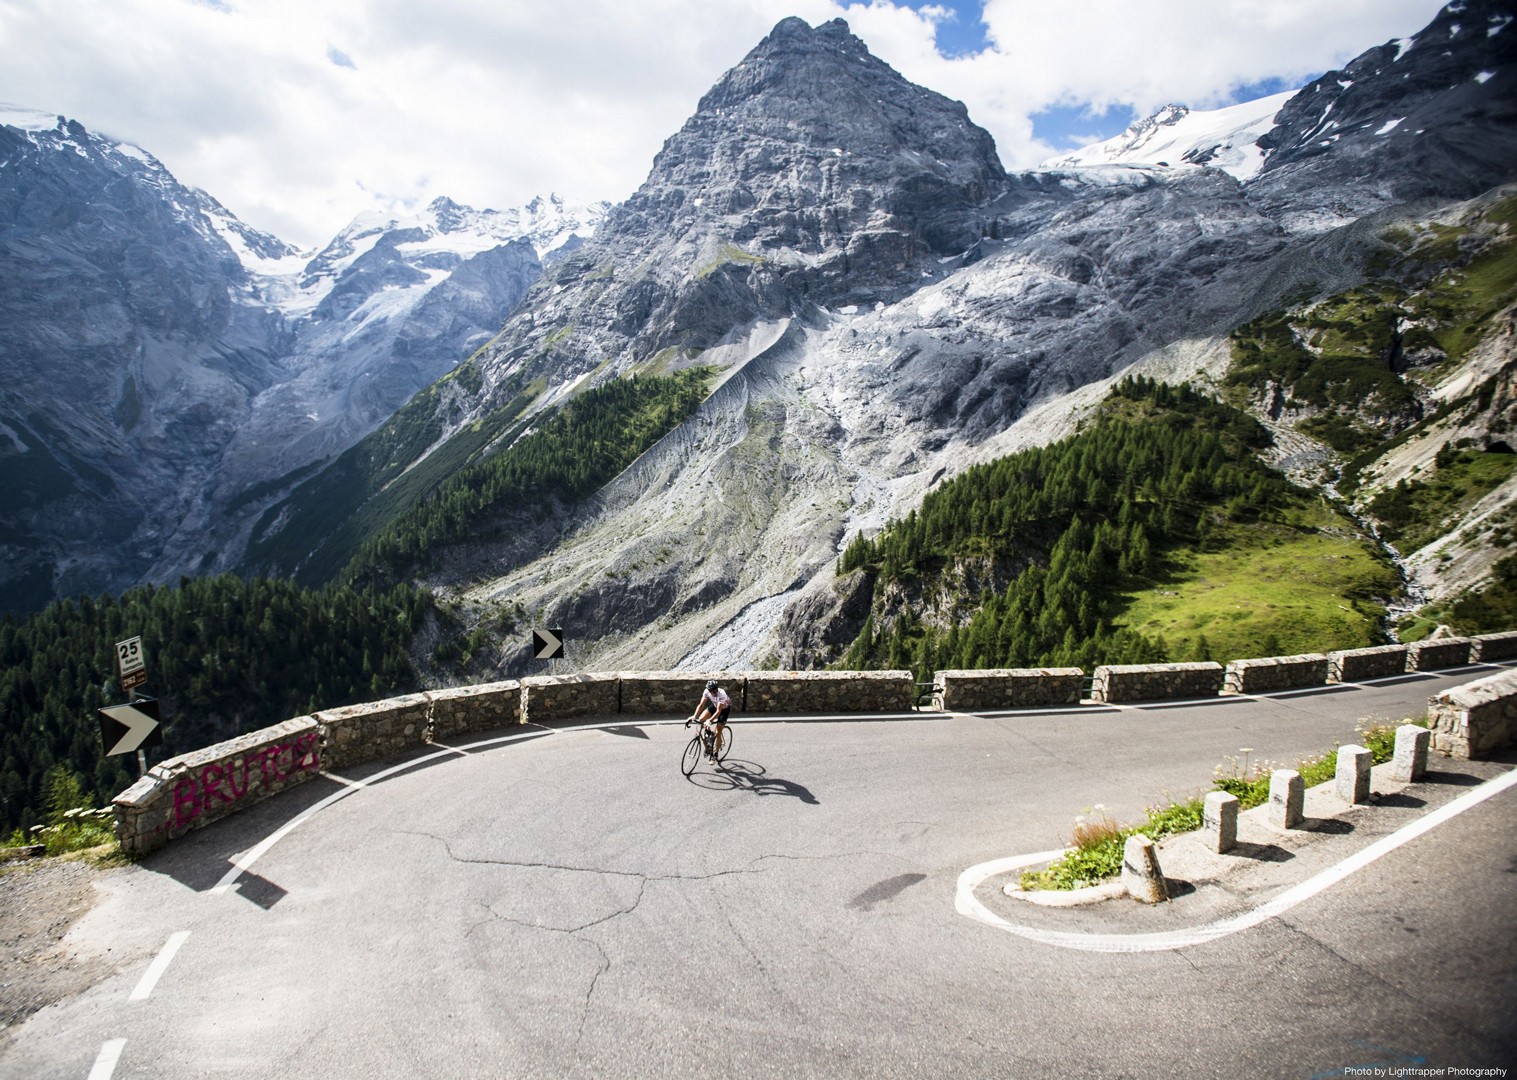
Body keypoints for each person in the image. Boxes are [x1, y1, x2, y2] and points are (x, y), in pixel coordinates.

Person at [691, 679, 731, 759]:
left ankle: (715, 754)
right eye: (714, 692)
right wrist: (694, 716)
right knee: (701, 719)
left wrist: (709, 721)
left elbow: (719, 711)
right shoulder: (706, 692)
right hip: (715, 705)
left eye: (716, 690)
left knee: (718, 732)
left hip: (724, 709)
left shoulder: (721, 694)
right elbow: (701, 705)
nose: (716, 693)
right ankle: (709, 738)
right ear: (709, 691)